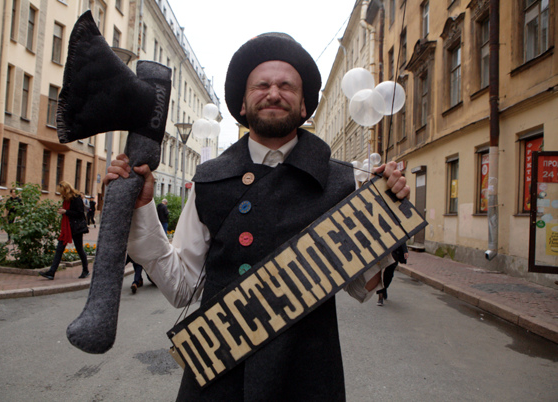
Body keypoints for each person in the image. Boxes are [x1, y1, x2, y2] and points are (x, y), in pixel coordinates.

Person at [107, 33, 410, 400]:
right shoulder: (210, 180)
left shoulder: (342, 181)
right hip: (220, 377)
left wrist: (387, 209)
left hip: (307, 376)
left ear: (304, 106)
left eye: (286, 86)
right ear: (243, 103)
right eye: (262, 85)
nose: (273, 93)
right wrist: (142, 208)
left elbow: (365, 284)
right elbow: (181, 287)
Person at [39, 181, 90, 280]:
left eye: (62, 192)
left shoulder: (76, 198)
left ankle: (86, 270)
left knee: (79, 249)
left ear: (67, 190)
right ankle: (51, 272)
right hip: (67, 228)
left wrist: (66, 211)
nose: (61, 194)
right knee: (59, 249)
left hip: (76, 228)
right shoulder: (66, 199)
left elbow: (80, 214)